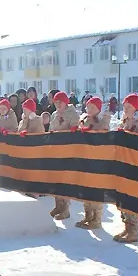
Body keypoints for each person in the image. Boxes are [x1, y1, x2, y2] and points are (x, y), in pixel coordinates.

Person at [112, 94, 138, 243]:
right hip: (124, 164)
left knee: (133, 198)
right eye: (124, 106)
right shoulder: (125, 120)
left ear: (135, 107)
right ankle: (127, 227)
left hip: (136, 166)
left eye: (128, 107)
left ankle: (133, 231)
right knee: (124, 197)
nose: (125, 109)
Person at [76, 96, 111, 229]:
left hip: (98, 160)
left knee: (96, 188)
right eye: (88, 107)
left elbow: (103, 133)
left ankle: (96, 219)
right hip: (85, 158)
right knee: (86, 188)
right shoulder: (84, 119)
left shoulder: (103, 120)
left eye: (92, 107)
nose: (89, 109)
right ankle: (88, 215)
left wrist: (92, 131)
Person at [48, 91, 80, 220]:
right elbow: (51, 128)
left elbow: (75, 130)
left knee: (64, 180)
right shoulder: (54, 114)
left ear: (65, 102)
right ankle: (58, 206)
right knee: (56, 179)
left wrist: (71, 131)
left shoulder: (73, 114)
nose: (57, 104)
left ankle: (65, 209)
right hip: (56, 150)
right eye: (55, 102)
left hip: (67, 150)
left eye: (59, 102)